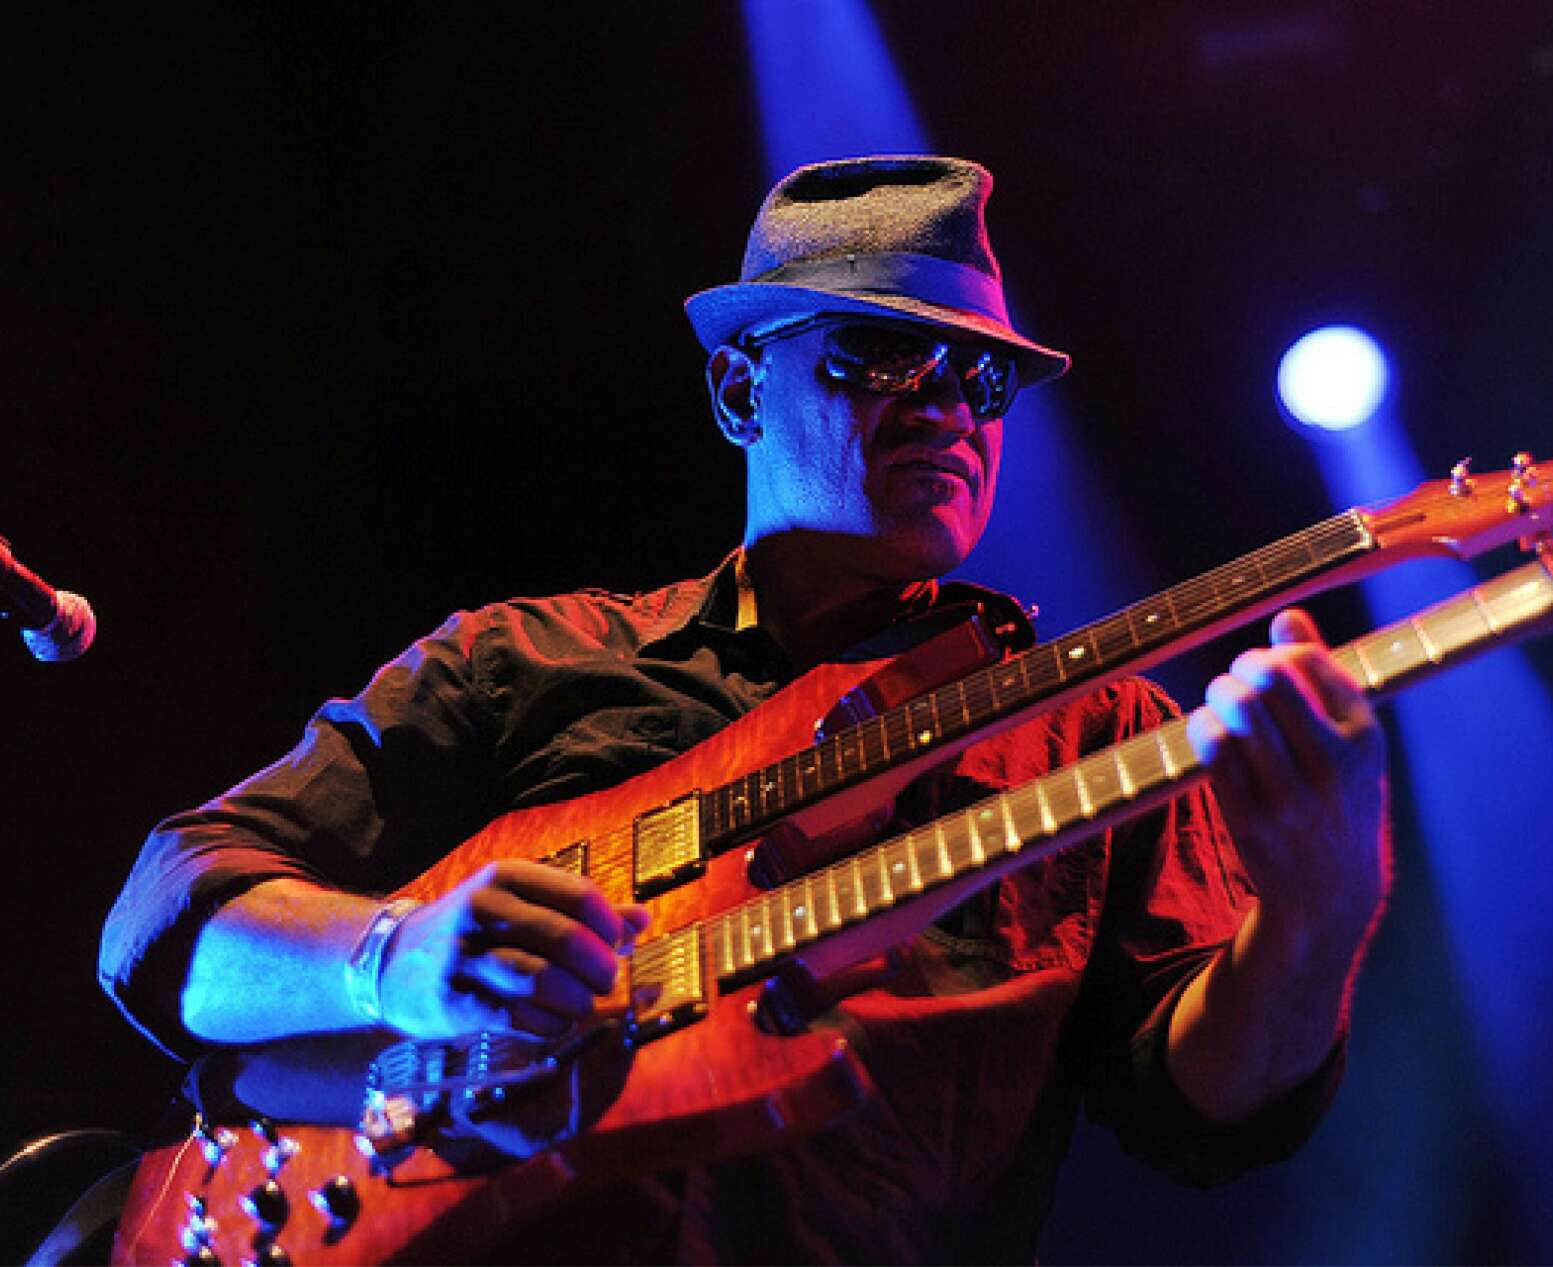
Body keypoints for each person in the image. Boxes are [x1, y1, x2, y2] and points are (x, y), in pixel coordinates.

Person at [100, 155, 1390, 1262]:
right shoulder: (524, 658)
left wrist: (1319, 911)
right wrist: (396, 959)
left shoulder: (1096, 734)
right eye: (885, 351)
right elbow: (169, 914)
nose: (948, 401)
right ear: (739, 391)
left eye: (980, 377)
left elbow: (1201, 1116)